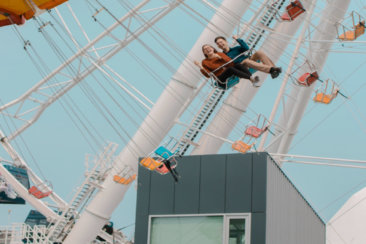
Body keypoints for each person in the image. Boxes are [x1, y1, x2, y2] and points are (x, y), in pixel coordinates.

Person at [194, 44, 260, 89]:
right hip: (220, 78)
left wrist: (220, 58)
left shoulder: (220, 54)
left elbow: (231, 63)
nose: (207, 49)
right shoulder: (205, 62)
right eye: (205, 49)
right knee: (230, 69)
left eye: (209, 47)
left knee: (237, 65)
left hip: (229, 71)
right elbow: (208, 75)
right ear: (204, 53)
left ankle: (252, 79)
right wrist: (201, 67)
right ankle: (251, 78)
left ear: (213, 49)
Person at [214, 35, 282, 79]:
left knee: (259, 52)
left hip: (248, 59)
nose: (220, 44)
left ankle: (274, 70)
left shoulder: (236, 48)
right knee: (246, 61)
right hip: (241, 67)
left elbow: (246, 48)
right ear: (218, 46)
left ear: (225, 41)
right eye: (218, 44)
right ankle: (272, 70)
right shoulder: (222, 56)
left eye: (221, 42)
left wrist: (238, 39)